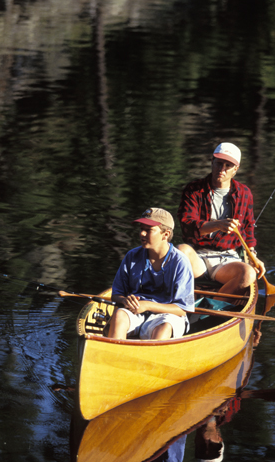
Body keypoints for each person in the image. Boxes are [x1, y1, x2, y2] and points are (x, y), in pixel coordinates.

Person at [177, 142, 266, 296]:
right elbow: (187, 227)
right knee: (180, 251)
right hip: (198, 256)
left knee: (249, 274)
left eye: (228, 166)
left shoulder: (244, 193)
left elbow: (249, 228)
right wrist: (218, 225)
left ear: (235, 170)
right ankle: (182, 299)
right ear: (212, 162)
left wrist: (252, 255)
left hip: (228, 259)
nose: (221, 169)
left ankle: (214, 304)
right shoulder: (193, 190)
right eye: (218, 163)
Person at [108, 208, 195, 340]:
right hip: (135, 311)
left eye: (148, 230)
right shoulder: (132, 256)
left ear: (165, 234)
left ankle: (151, 358)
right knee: (119, 315)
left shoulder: (180, 262)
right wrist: (125, 300)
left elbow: (183, 309)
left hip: (167, 315)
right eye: (141, 229)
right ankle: (112, 353)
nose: (142, 234)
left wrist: (147, 305)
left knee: (164, 328)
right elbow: (116, 295)